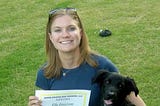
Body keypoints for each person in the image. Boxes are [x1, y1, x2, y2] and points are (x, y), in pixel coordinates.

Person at [28, 7, 146, 106]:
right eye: (58, 30)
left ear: (80, 32)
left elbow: (137, 102)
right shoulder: (45, 73)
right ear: (50, 37)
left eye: (71, 28)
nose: (65, 35)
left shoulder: (102, 65)